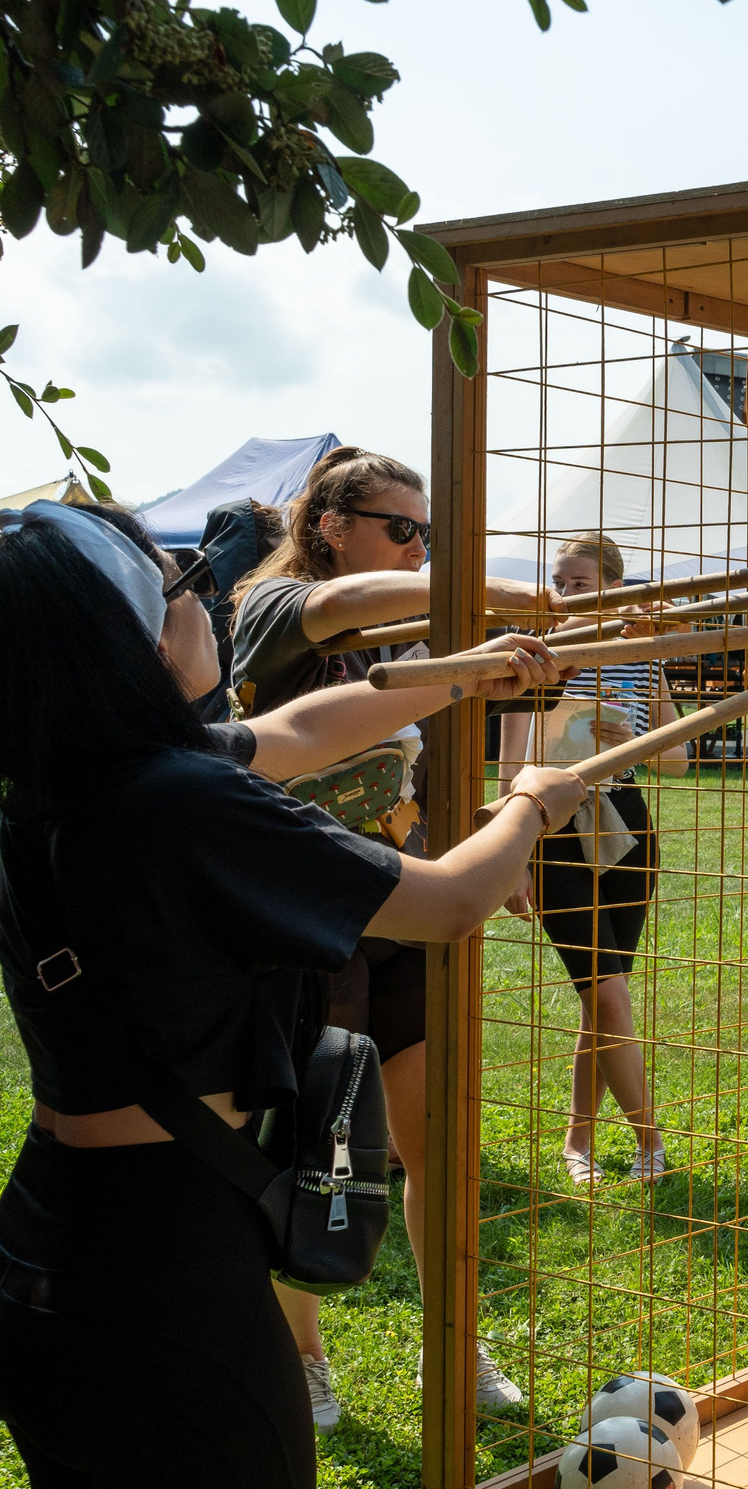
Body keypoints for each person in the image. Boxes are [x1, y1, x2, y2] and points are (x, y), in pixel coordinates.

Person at [0, 499, 582, 1489]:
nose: (213, 609)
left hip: (38, 1274)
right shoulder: (183, 799)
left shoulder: (77, 769)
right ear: (142, 641)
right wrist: (530, 799)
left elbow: (296, 734)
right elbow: (448, 901)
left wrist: (462, 675)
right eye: (189, 592)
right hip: (160, 1303)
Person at [228, 445, 554, 1429]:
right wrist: (531, 599)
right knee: (311, 1149)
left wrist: (488, 865)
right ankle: (301, 1357)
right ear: (330, 528)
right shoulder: (279, 609)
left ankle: (453, 1343)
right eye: (402, 530)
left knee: (432, 1146)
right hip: (300, 918)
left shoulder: (410, 634)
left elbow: (416, 762)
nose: (419, 551)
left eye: (431, 535)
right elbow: (348, 611)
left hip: (399, 906)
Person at [496, 536, 666, 1189]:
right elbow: (512, 768)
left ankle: (578, 1140)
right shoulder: (529, 658)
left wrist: (638, 740)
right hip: (553, 832)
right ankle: (650, 1140)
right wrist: (514, 861)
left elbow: (676, 757)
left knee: (605, 1001)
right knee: (611, 996)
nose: (563, 593)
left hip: (627, 833)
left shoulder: (640, 658)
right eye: (559, 581)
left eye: (579, 582)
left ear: (615, 588)